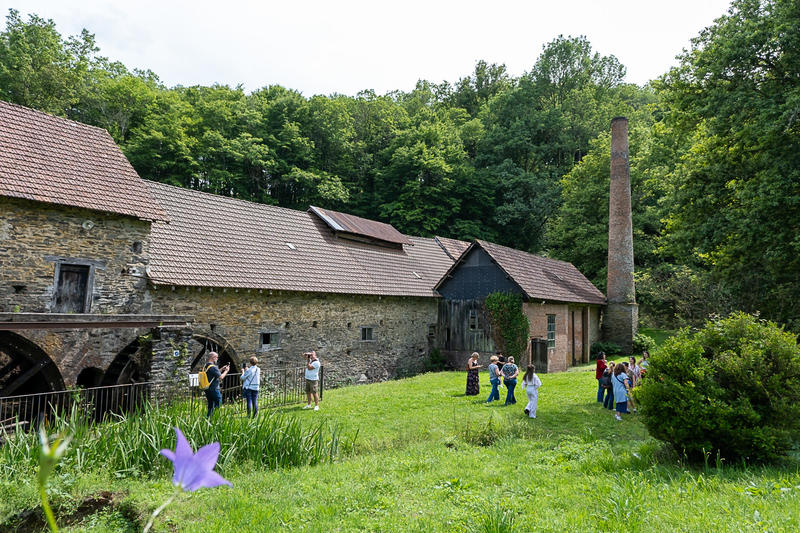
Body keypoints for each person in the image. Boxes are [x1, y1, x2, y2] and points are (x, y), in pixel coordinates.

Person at [203, 351, 229, 419]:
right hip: (214, 388)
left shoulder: (206, 366)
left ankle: (208, 418)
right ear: (213, 357)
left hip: (207, 388)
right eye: (216, 357)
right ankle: (216, 418)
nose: (217, 359)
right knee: (219, 403)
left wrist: (221, 369)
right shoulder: (213, 367)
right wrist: (226, 371)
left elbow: (213, 374)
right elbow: (221, 377)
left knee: (210, 404)